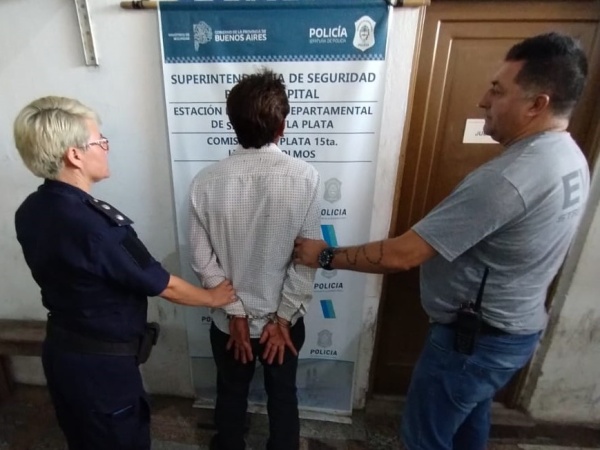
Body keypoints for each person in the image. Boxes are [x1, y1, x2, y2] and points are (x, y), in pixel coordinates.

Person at [293, 32, 589, 450]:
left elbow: (403, 254)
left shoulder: (509, 178)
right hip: (508, 333)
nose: (483, 100)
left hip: (475, 343)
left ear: (537, 104)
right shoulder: (568, 155)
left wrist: (324, 256)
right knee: (468, 420)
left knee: (424, 438)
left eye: (497, 90)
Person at [13, 96, 236, 450]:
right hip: (102, 370)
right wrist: (213, 297)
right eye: (100, 141)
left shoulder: (31, 209)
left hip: (62, 353)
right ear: (75, 155)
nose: (106, 148)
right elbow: (163, 285)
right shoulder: (96, 227)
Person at [188, 68, 321, 450]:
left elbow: (202, 260)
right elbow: (307, 258)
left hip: (230, 324)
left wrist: (236, 315)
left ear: (232, 124)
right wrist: (281, 320)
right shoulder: (305, 177)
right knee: (283, 396)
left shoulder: (204, 182)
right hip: (283, 322)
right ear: (282, 126)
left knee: (230, 393)